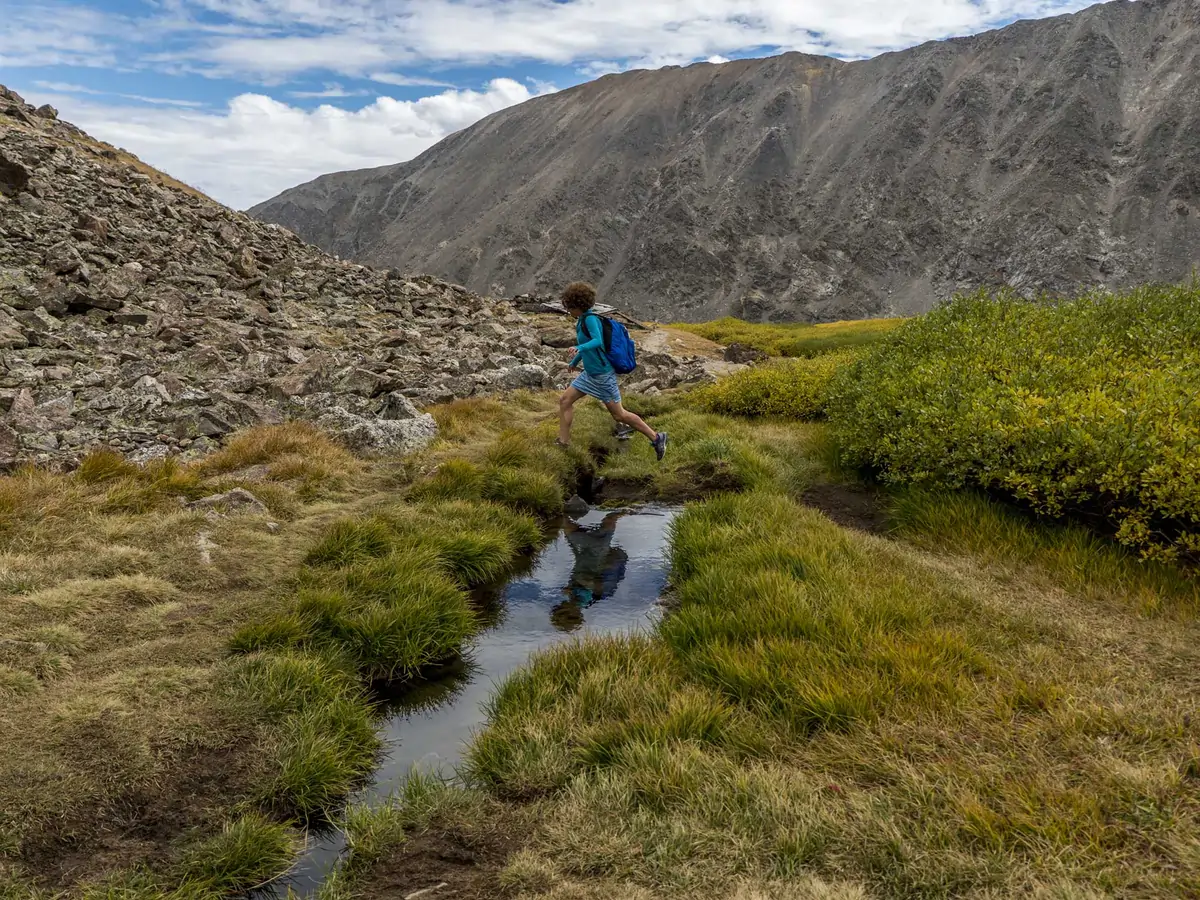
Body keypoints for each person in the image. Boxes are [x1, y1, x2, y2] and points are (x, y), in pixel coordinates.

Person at [555, 281, 667, 460]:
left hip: (602, 375)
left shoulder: (591, 319)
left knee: (619, 415)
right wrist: (575, 361)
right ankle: (563, 442)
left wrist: (579, 348)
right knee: (565, 400)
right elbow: (591, 348)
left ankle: (657, 437)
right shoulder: (582, 320)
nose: (568, 310)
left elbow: (598, 341)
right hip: (590, 374)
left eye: (570, 307)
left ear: (579, 305)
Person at [550, 512, 629, 632]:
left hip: (588, 553)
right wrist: (572, 589)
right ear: (573, 613)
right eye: (562, 608)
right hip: (594, 552)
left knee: (609, 522)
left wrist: (571, 590)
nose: (561, 605)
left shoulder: (577, 600)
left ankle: (627, 511)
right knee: (567, 524)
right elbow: (587, 586)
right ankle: (628, 511)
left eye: (559, 608)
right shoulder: (582, 601)